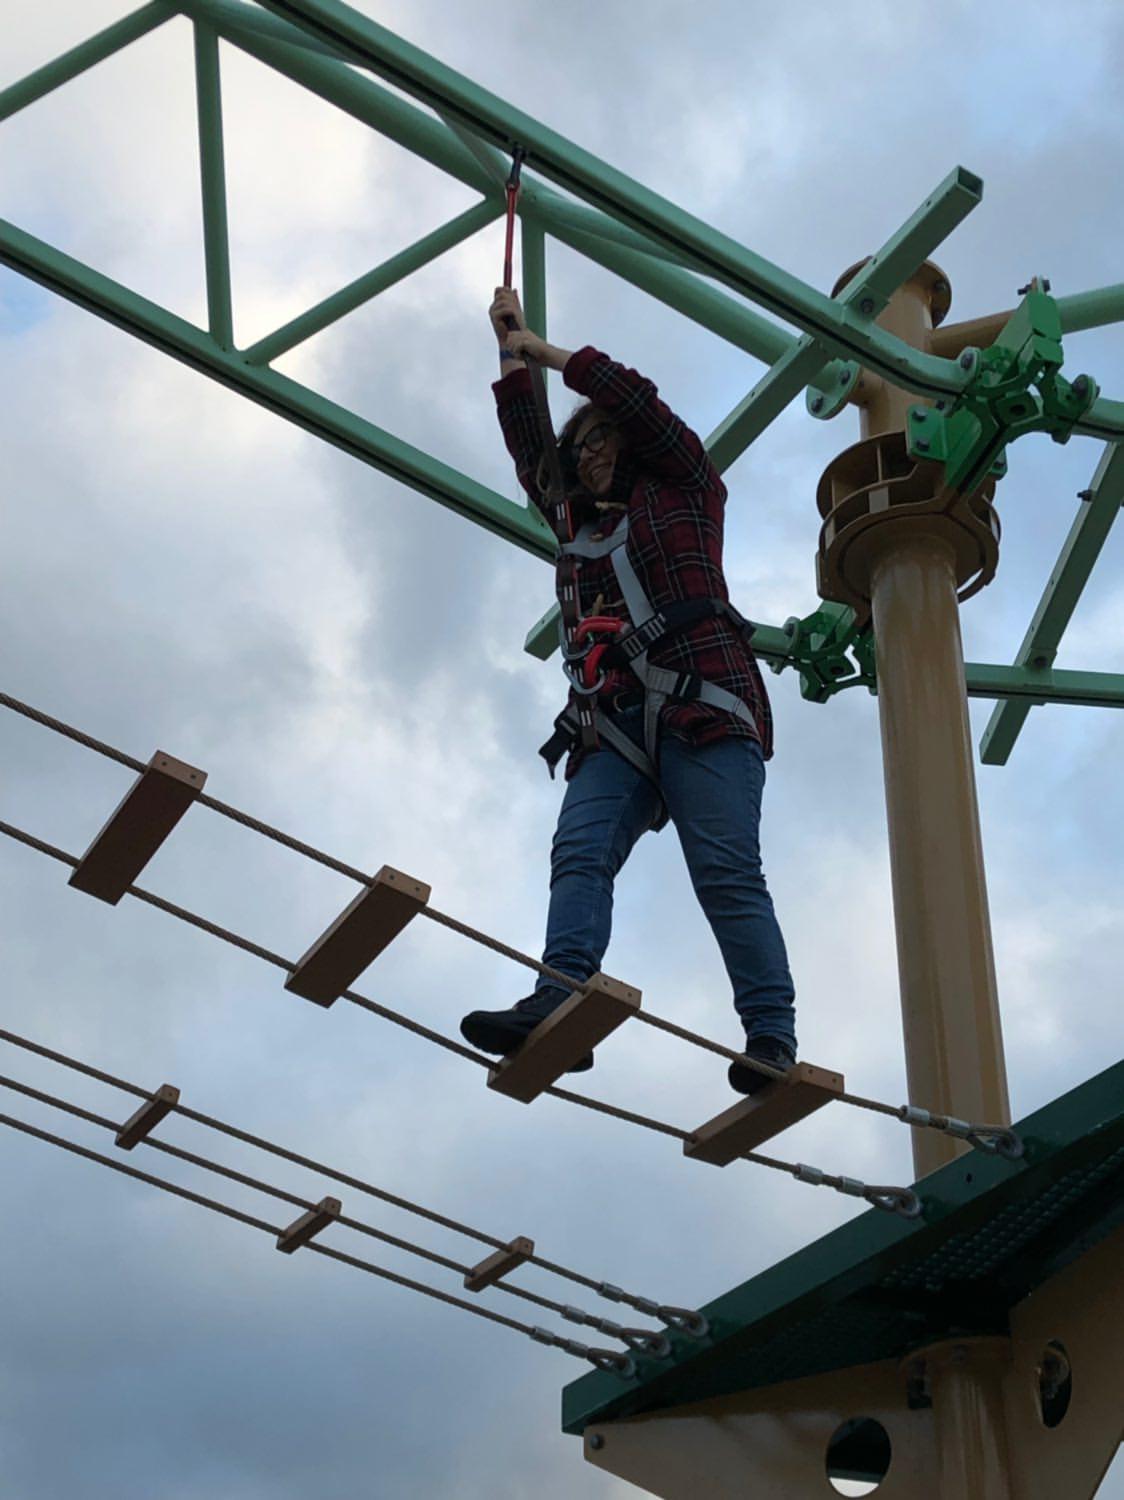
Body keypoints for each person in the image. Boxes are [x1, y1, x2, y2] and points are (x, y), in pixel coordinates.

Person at [460, 288, 797, 1094]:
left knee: (725, 873)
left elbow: (640, 403)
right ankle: (559, 1000)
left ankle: (771, 1036)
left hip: (703, 707)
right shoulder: (575, 526)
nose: (589, 455)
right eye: (579, 450)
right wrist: (507, 353)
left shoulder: (685, 490)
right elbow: (531, 450)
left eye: (601, 438)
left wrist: (546, 353)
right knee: (578, 852)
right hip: (612, 725)